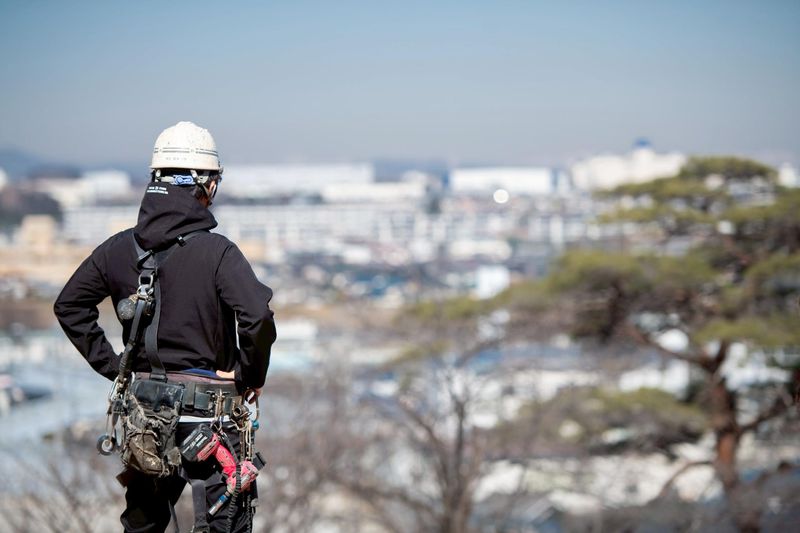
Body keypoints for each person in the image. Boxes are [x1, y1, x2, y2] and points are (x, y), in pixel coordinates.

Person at [54, 121, 277, 532]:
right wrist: (248, 376)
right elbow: (257, 316)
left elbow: (70, 305)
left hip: (145, 418)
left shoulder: (119, 248)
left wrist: (116, 366)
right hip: (209, 419)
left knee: (144, 525)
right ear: (204, 184)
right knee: (223, 521)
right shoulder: (218, 252)